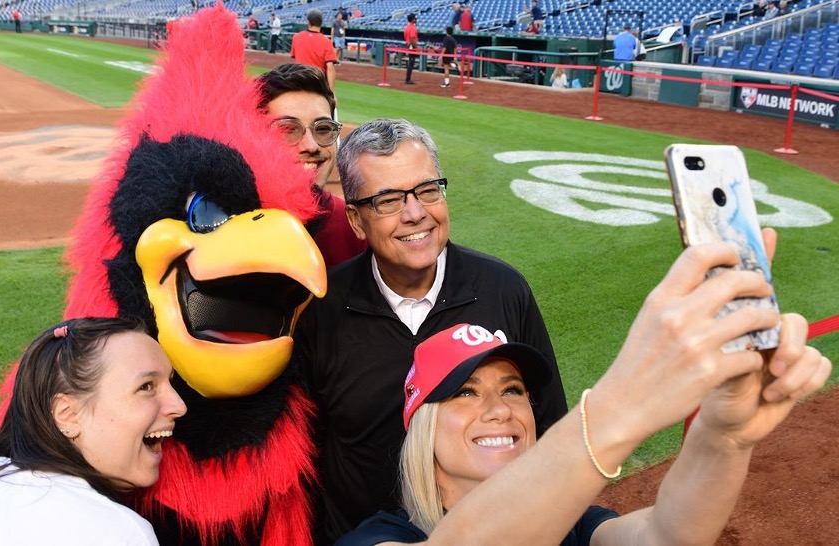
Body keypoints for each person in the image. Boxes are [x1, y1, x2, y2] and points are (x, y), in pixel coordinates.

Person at [336, 241, 831, 545]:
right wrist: (620, 408)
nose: (499, 409)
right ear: (421, 425)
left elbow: (667, 537)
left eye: (513, 389)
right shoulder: (380, 537)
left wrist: (724, 436)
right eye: (464, 393)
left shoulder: (573, 525)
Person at [296, 118, 569, 544]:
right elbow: (301, 459)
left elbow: (550, 426)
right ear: (355, 220)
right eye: (387, 200)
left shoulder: (504, 289)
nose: (415, 213)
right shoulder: (319, 311)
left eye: (427, 190)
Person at [0, 318, 188, 545]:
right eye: (146, 387)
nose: (179, 406)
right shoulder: (116, 533)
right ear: (68, 415)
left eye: (169, 384)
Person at [255, 63, 366, 268]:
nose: (312, 146)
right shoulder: (224, 225)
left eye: (323, 128)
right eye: (288, 129)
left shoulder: (354, 227)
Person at [291, 9, 338, 92]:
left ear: (308, 22)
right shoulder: (326, 41)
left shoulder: (296, 37)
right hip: (318, 83)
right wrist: (332, 92)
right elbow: (330, 68)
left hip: (299, 81)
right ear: (321, 22)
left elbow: (296, 58)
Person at [403, 13, 419, 85]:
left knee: (411, 62)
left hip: (408, 45)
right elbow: (413, 39)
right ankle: (408, 79)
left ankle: (408, 78)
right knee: (411, 63)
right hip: (411, 46)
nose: (416, 19)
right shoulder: (412, 27)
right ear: (413, 19)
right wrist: (416, 48)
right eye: (415, 18)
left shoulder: (407, 27)